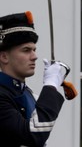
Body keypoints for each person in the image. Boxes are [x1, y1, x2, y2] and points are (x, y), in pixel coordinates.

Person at [0, 11, 67, 147]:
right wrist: (50, 86)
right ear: (4, 57)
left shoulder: (26, 93)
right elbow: (33, 136)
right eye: (26, 50)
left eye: (34, 50)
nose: (34, 56)